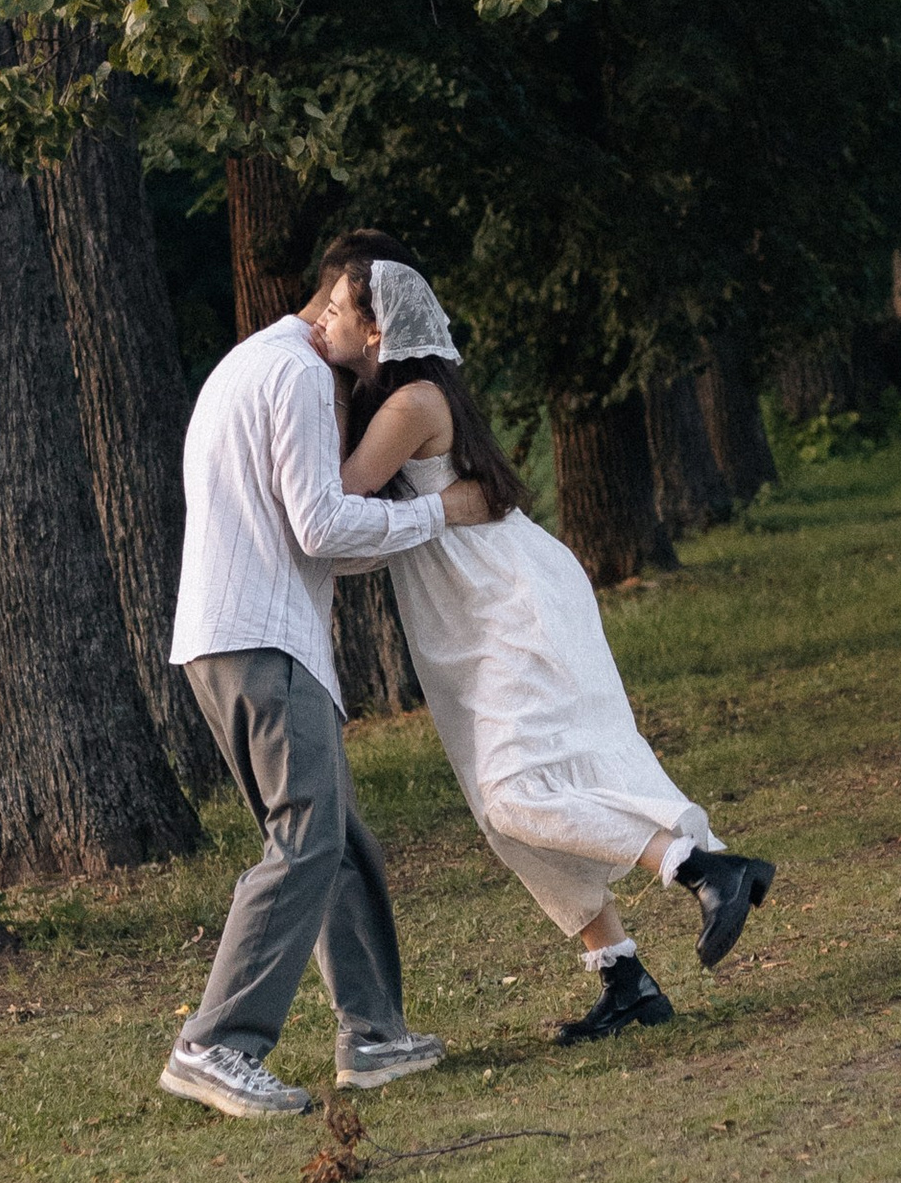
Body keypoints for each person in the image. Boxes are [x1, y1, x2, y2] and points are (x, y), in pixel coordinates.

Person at [321, 233, 776, 1042]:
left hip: (506, 600)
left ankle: (703, 869)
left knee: (518, 792)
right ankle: (625, 978)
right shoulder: (393, 398)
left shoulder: (409, 402)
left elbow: (341, 497)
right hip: (464, 615)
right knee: (503, 812)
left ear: (378, 330)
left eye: (336, 309)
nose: (321, 321)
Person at [160, 254, 504, 1121]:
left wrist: (402, 525)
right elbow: (321, 527)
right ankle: (217, 1045)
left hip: (238, 634)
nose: (378, 353)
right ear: (338, 308)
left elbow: (323, 533)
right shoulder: (302, 375)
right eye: (373, 328)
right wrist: (441, 511)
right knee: (307, 842)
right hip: (260, 638)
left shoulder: (253, 363)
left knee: (338, 841)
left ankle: (374, 1035)